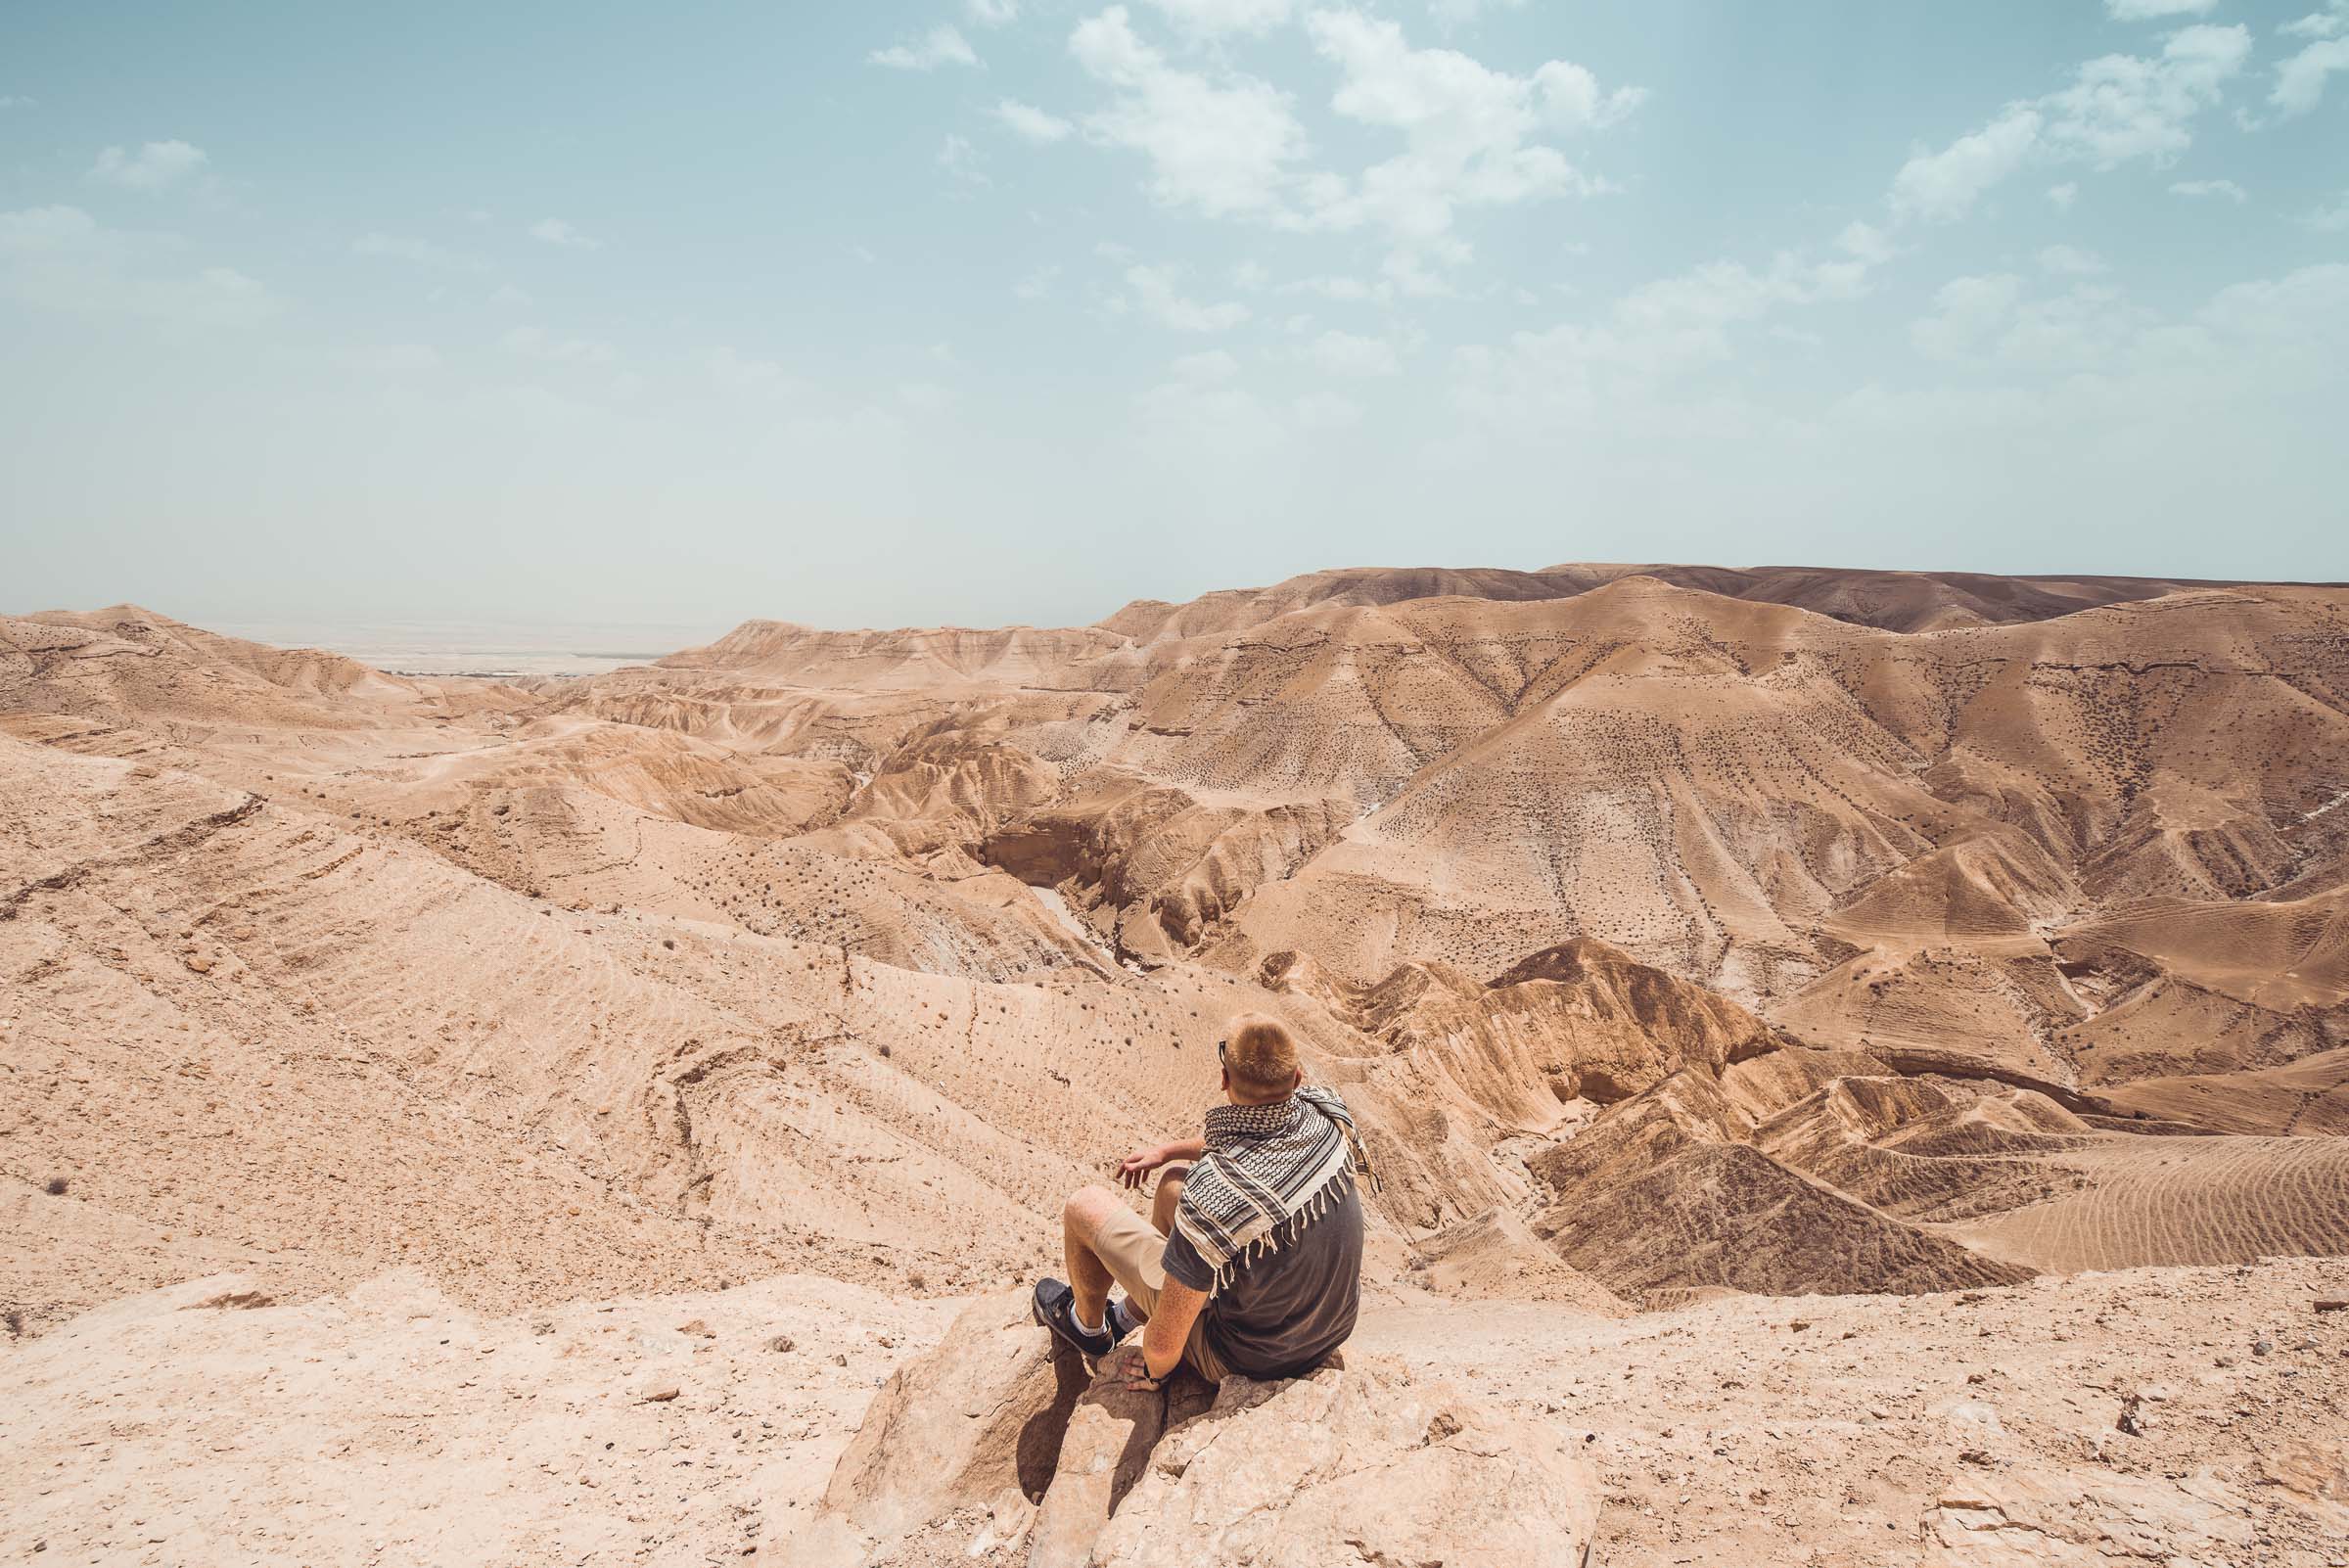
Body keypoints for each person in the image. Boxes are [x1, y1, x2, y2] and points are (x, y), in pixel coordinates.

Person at [1032, 1013, 1375, 1394]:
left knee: (1084, 1206)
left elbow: (1162, 1349)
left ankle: (1089, 1329)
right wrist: (1164, 1152)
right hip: (1328, 1328)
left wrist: (1154, 1370)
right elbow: (1247, 1135)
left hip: (1249, 1357)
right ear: (1296, 1079)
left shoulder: (1214, 1198)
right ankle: (1129, 1315)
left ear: (1225, 1081)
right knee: (1171, 1186)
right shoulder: (1322, 1114)